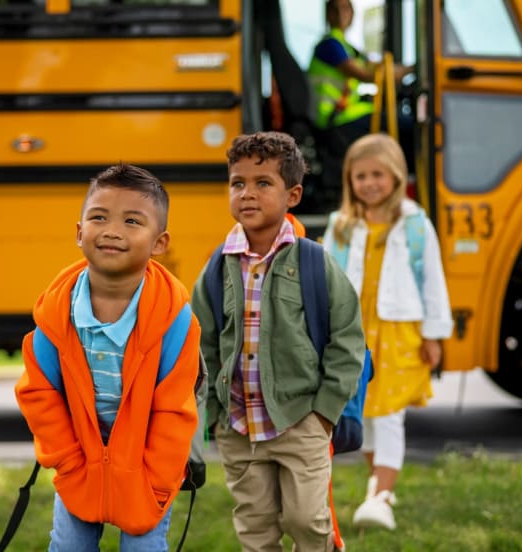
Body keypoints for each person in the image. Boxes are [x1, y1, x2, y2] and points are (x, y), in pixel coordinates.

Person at [190, 131, 367, 551]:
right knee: (255, 526)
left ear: (293, 194)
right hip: (238, 424)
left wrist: (324, 413)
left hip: (300, 418)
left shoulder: (313, 261)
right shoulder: (218, 266)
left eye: (262, 183)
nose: (247, 194)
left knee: (306, 519)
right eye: (238, 183)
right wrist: (213, 415)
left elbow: (347, 340)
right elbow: (203, 346)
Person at [15, 163, 201, 550]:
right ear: (80, 232)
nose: (113, 230)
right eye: (99, 217)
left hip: (146, 465)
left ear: (160, 243)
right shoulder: (57, 315)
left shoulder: (174, 321)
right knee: (68, 546)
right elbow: (39, 393)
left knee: (143, 547)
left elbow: (174, 408)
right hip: (80, 459)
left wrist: (157, 477)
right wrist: (67, 461)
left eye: (133, 221)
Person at [321, 133, 453, 531]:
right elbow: (326, 279)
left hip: (399, 332)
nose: (370, 183)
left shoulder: (414, 225)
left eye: (378, 174)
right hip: (354, 335)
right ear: (350, 180)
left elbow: (432, 280)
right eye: (360, 176)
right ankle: (380, 488)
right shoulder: (340, 226)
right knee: (367, 415)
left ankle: (378, 497)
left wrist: (433, 335)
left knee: (391, 415)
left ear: (396, 176)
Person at [308, 0, 414, 166]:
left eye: (346, 8)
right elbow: (366, 74)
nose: (341, 13)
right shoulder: (329, 46)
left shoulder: (349, 49)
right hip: (336, 119)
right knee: (410, 128)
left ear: (353, 14)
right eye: (335, 9)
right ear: (328, 14)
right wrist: (407, 71)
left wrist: (413, 68)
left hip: (347, 114)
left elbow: (380, 67)